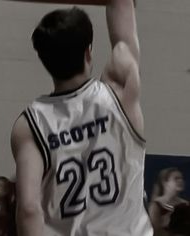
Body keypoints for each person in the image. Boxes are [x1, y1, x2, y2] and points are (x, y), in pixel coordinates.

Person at [11, 0, 153, 235]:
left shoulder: (30, 124)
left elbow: (28, 209)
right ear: (88, 52)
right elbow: (122, 14)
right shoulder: (118, 91)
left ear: (43, 58)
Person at [148, 168, 189, 236]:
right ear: (165, 183)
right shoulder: (156, 205)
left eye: (181, 178)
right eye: (176, 178)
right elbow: (155, 231)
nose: (180, 181)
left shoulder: (186, 204)